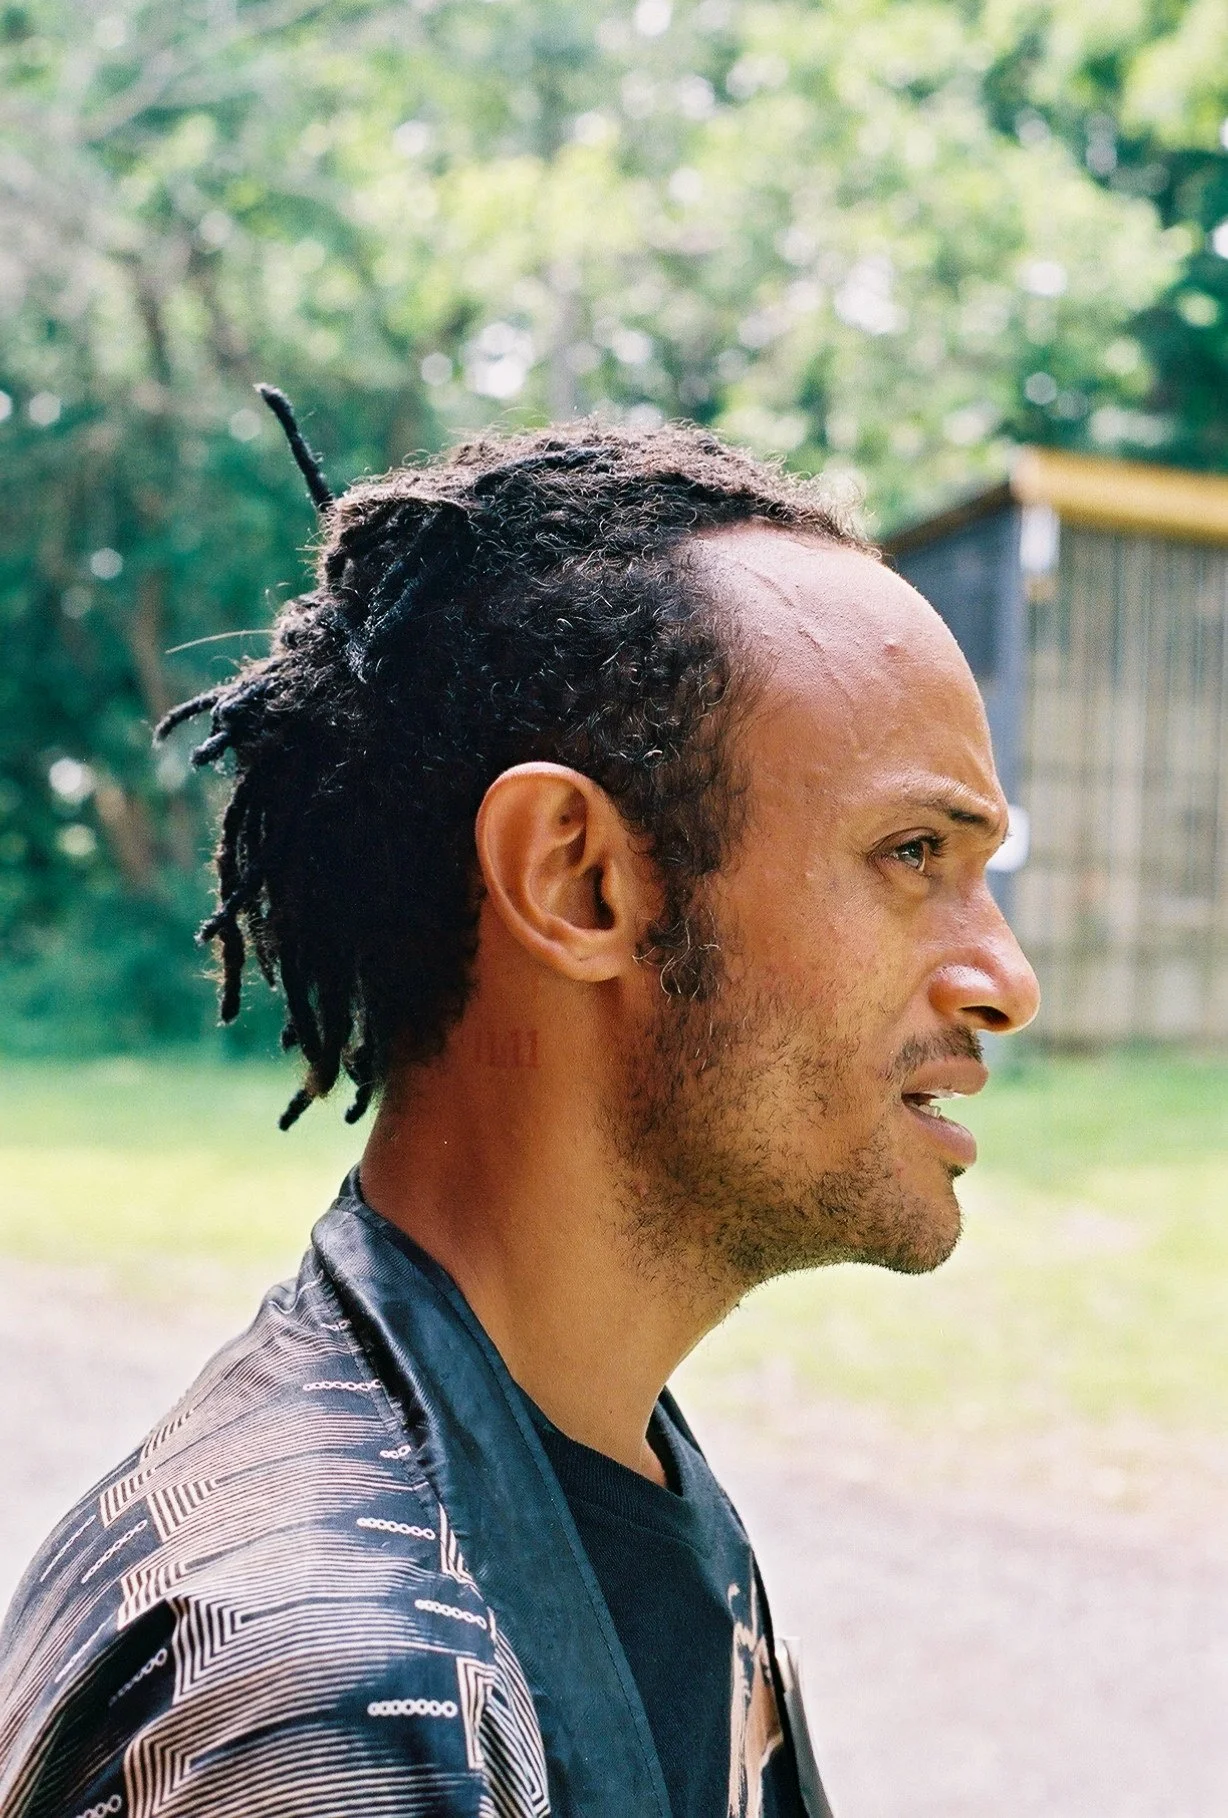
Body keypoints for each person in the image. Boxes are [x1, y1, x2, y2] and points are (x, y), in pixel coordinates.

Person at [0, 401, 1038, 1818]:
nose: (1007, 978)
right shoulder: (332, 1700)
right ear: (578, 880)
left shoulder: (605, 1468)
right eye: (913, 852)